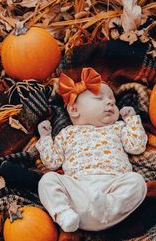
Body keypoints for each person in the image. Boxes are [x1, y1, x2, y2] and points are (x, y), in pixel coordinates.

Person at [36, 67, 147, 232]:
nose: (110, 102)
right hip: (78, 192)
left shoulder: (118, 127)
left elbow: (136, 146)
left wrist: (131, 120)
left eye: (113, 101)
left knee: (137, 182)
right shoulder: (67, 133)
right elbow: (53, 162)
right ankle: (63, 214)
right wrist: (45, 138)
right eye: (99, 98)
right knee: (48, 180)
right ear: (74, 110)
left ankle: (106, 207)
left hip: (112, 186)